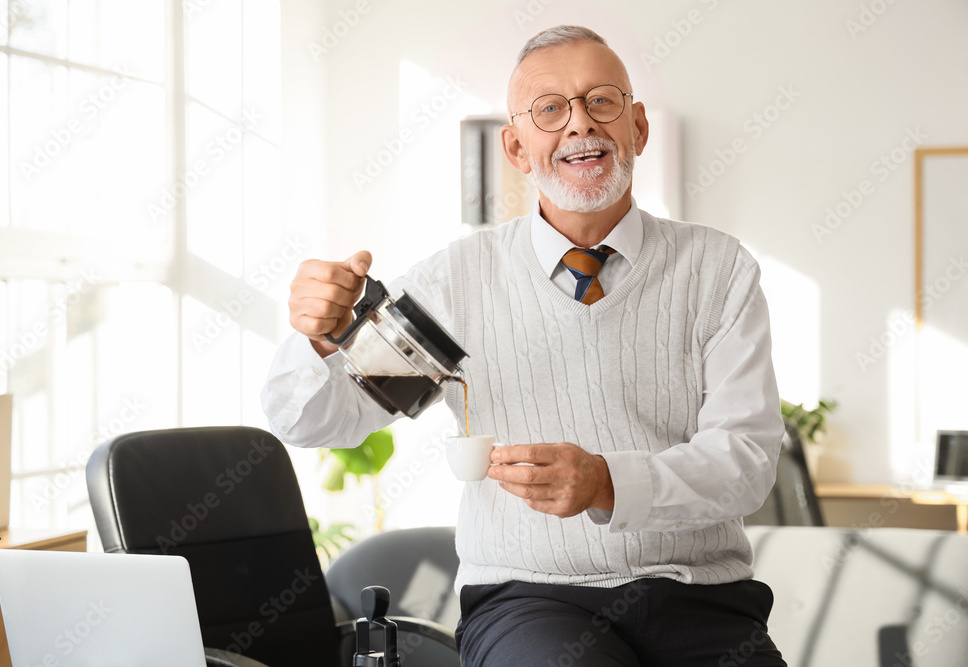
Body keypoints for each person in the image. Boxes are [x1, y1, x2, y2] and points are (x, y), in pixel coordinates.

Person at [262, 25, 787, 667]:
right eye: (549, 110)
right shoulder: (459, 283)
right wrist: (315, 340)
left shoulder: (718, 269)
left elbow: (746, 463)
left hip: (701, 599)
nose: (579, 126)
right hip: (531, 601)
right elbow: (317, 420)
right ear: (516, 146)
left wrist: (605, 483)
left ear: (638, 128)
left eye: (601, 101)